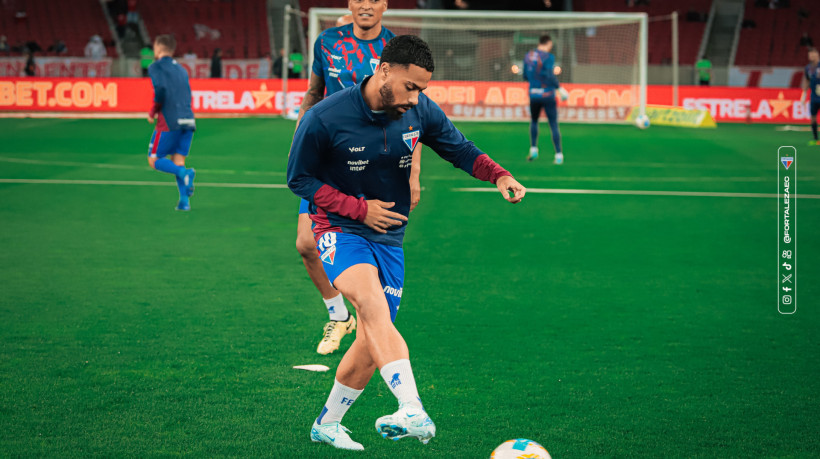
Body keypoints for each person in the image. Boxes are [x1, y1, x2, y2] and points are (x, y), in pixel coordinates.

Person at [287, 34, 526, 451]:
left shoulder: (419, 111)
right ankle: (412, 408)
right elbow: (299, 179)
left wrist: (499, 174)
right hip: (340, 229)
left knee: (372, 337)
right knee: (371, 306)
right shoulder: (324, 118)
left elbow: (460, 149)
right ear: (383, 71)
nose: (415, 99)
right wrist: (358, 209)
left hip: (391, 236)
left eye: (422, 90)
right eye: (410, 87)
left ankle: (327, 424)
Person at [295, 0, 422, 356]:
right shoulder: (327, 41)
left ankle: (373, 322)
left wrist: (413, 172)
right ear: (349, 3)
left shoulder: (398, 49)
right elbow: (313, 92)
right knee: (306, 244)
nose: (365, 5)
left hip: (377, 161)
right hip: (328, 159)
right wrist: (301, 134)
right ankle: (339, 315)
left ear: (384, 5)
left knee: (371, 243)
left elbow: (414, 112)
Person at [146, 34, 197, 211]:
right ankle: (184, 202)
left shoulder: (155, 67)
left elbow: (160, 90)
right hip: (188, 119)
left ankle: (186, 173)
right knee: (178, 160)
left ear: (158, 48)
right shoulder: (182, 69)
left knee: (154, 160)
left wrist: (153, 111)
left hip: (170, 120)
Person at [524, 33, 565, 164]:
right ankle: (558, 155)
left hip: (534, 95)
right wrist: (559, 88)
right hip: (547, 95)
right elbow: (549, 75)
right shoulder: (548, 57)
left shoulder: (528, 56)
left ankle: (533, 149)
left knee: (534, 121)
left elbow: (525, 75)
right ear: (547, 43)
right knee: (553, 124)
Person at [801, 47, 820, 146]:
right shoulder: (808, 68)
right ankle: (816, 139)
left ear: (817, 54)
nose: (811, 56)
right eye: (810, 55)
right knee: (813, 117)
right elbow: (807, 80)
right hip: (814, 96)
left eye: (813, 54)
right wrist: (803, 95)